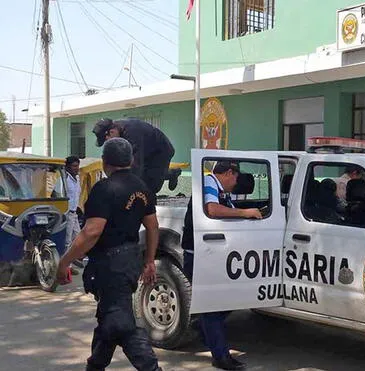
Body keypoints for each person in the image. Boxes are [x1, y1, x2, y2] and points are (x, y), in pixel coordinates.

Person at [56, 138, 162, 371]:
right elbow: (153, 226)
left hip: (110, 264)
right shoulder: (142, 188)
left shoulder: (104, 189)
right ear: (131, 160)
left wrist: (65, 261)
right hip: (131, 260)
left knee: (120, 324)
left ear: (105, 162)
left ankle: (151, 368)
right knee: (110, 318)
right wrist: (149, 261)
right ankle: (95, 366)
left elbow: (92, 231)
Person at [181, 161, 261, 370]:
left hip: (211, 255)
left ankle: (204, 328)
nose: (236, 183)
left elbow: (227, 211)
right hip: (199, 255)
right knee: (213, 306)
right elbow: (213, 209)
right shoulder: (209, 182)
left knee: (224, 302)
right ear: (228, 173)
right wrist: (245, 213)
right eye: (235, 178)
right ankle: (220, 356)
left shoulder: (222, 192)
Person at [92, 118, 178, 195]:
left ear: (111, 132)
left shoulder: (132, 133)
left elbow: (136, 165)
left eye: (106, 140)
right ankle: (171, 173)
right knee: (147, 176)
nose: (108, 142)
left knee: (151, 187)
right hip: (147, 151)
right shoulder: (119, 130)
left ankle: (170, 174)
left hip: (161, 152)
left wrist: (126, 190)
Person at [63, 156, 83, 275]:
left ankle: (72, 260)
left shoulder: (77, 178)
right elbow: (56, 193)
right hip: (67, 213)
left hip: (74, 213)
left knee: (79, 238)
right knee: (67, 241)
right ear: (68, 167)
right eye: (74, 166)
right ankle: (66, 267)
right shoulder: (64, 179)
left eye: (77, 166)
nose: (77, 168)